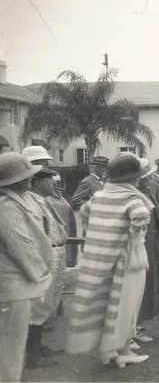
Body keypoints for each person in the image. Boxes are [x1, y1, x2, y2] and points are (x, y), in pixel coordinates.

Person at [68, 153, 153, 367]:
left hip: (103, 259)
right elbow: (141, 216)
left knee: (111, 305)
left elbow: (85, 212)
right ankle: (124, 351)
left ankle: (112, 349)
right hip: (128, 258)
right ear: (132, 178)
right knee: (127, 305)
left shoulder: (100, 196)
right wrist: (131, 237)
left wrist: (102, 233)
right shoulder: (131, 197)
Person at [0, 153, 53, 381]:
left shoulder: (13, 203)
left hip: (14, 286)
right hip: (14, 287)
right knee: (11, 348)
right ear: (13, 181)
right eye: (26, 175)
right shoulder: (7, 207)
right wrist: (41, 275)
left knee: (11, 346)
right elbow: (21, 246)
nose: (31, 179)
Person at [25, 167, 69, 368]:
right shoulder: (30, 203)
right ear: (38, 182)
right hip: (47, 253)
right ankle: (33, 353)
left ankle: (39, 347)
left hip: (58, 250)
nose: (55, 184)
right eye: (51, 181)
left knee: (51, 299)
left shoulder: (47, 201)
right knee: (39, 303)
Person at [136, 159, 159, 343]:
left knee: (147, 287)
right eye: (147, 177)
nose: (150, 180)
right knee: (138, 288)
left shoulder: (147, 194)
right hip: (140, 247)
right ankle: (133, 330)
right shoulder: (136, 196)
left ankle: (137, 327)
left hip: (150, 245)